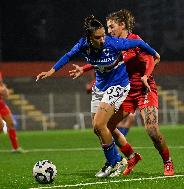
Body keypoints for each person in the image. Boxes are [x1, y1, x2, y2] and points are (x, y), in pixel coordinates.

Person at [36, 15, 159, 178]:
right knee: (98, 129)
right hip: (100, 87)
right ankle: (128, 157)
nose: (102, 40)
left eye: (103, 35)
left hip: (118, 85)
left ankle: (114, 163)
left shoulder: (113, 43)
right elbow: (67, 56)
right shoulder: (83, 45)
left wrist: (155, 53)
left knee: (100, 124)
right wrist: (52, 71)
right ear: (89, 37)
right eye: (97, 37)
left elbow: (138, 43)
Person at [70, 10, 174, 176]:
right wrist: (84, 68)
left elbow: (150, 58)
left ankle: (167, 161)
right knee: (107, 126)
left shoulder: (134, 40)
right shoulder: (113, 43)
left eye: (112, 27)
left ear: (123, 25)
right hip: (126, 91)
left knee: (152, 130)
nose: (109, 31)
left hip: (144, 89)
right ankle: (131, 156)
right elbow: (106, 61)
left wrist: (146, 76)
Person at [0, 71, 25, 153]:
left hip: (1, 103)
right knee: (1, 126)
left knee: (11, 124)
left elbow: (1, 84)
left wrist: (5, 89)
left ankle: (16, 148)